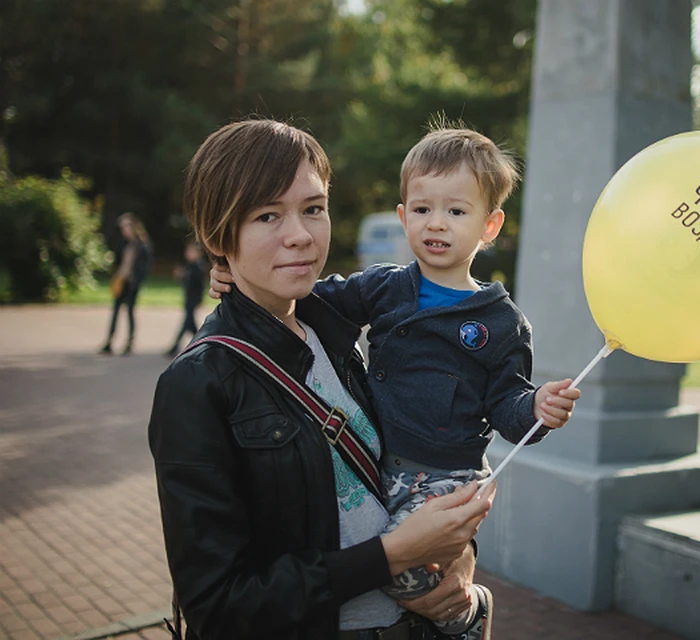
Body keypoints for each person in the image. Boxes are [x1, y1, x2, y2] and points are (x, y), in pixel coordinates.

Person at [211, 125, 581, 638]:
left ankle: (465, 619)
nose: (437, 224)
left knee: (403, 576)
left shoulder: (500, 322)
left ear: (489, 226)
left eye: (457, 211)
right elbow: (311, 296)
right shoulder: (386, 287)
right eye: (423, 209)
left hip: (445, 473)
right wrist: (237, 276)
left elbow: (506, 405)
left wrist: (537, 407)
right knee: (383, 561)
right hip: (382, 467)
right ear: (404, 216)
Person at [149, 118, 495, 640]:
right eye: (268, 215)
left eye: (313, 209)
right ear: (219, 233)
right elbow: (218, 608)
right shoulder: (199, 384)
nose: (301, 236)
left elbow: (432, 455)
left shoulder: (341, 334)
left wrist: (459, 555)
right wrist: (393, 555)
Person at [100, 212, 152, 355]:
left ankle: (129, 342)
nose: (124, 230)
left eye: (126, 227)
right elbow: (116, 262)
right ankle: (109, 342)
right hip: (121, 281)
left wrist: (137, 280)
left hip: (132, 284)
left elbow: (145, 267)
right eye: (122, 228)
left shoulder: (142, 245)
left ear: (133, 227)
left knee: (129, 312)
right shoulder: (122, 243)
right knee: (115, 311)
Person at [166, 241, 207, 356]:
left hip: (193, 299)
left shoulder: (198, 267)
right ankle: (200, 344)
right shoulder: (189, 266)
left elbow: (200, 285)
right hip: (188, 298)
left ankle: (175, 347)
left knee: (186, 324)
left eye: (191, 252)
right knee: (190, 325)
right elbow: (184, 281)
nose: (188, 254)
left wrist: (200, 299)